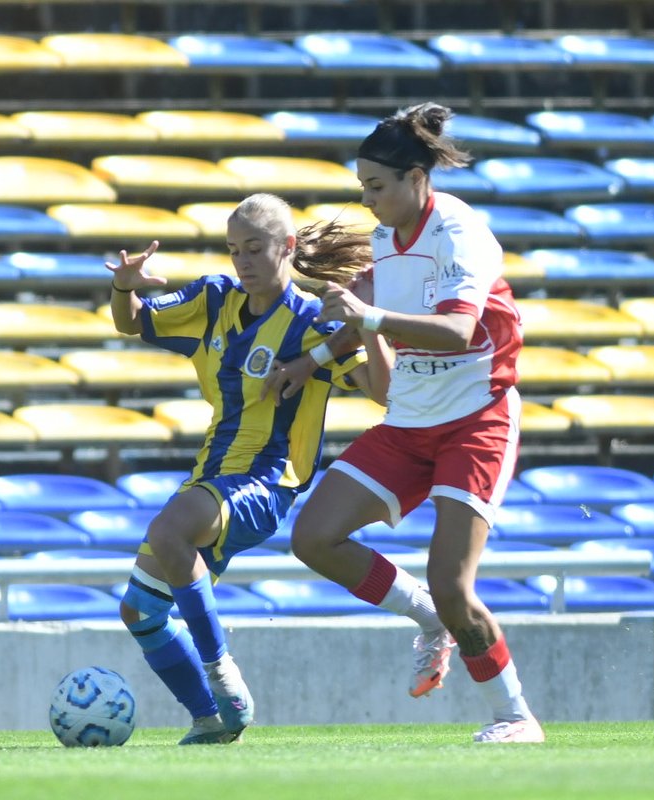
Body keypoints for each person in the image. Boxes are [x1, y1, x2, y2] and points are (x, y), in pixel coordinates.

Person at [269, 103, 545, 743]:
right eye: (362, 186)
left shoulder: (459, 232)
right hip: (412, 421)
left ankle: (514, 716)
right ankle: (428, 619)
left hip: (476, 420)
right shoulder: (388, 240)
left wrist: (367, 319)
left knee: (454, 582)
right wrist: (308, 364)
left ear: (418, 177)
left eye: (376, 186)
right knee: (313, 537)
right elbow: (368, 316)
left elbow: (456, 330)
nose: (367, 201)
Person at [106, 193, 388, 745]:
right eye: (235, 250)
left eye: (255, 249)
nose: (243, 261)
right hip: (210, 476)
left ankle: (220, 670)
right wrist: (124, 287)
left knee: (169, 528)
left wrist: (361, 332)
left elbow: (383, 392)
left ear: (286, 248)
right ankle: (214, 718)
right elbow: (131, 323)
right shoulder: (214, 299)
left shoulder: (314, 321)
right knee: (139, 611)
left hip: (266, 481)